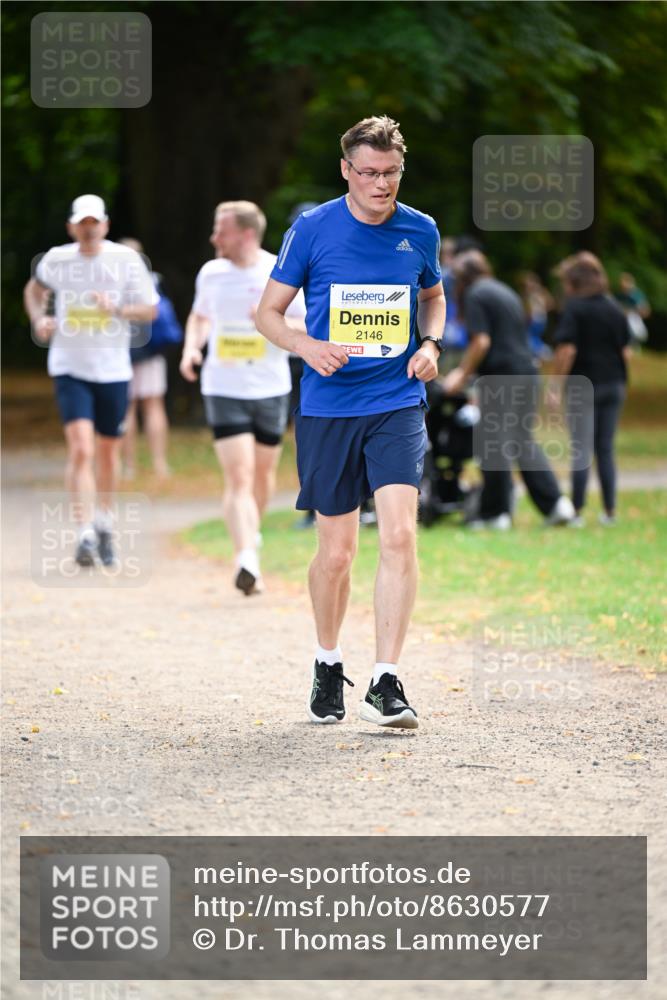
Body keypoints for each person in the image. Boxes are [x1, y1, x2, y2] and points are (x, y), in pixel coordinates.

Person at [256, 115, 445, 729]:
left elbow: (433, 296)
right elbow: (267, 315)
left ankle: (386, 680)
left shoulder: (420, 230)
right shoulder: (312, 229)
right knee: (335, 553)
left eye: (390, 173)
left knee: (398, 536)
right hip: (328, 406)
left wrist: (431, 345)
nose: (380, 184)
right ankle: (327, 661)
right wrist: (308, 347)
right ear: (346, 170)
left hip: (395, 402)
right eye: (368, 173)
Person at [23, 194, 158, 566]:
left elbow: (150, 309)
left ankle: (104, 522)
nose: (88, 229)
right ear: (71, 227)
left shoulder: (125, 260)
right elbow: (33, 292)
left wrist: (114, 307)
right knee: (81, 447)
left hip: (112, 368)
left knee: (107, 452)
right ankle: (83, 532)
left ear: (105, 225)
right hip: (69, 365)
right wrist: (39, 320)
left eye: (93, 222)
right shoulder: (56, 258)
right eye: (81, 222)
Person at [180, 200, 306, 595]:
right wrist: (192, 348)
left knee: (262, 476)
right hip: (223, 386)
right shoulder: (211, 273)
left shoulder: (277, 270)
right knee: (238, 477)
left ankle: (252, 533)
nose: (214, 238)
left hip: (269, 386)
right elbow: (200, 316)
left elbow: (306, 322)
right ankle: (246, 558)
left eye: (222, 230)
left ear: (246, 234)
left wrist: (270, 318)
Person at [442, 250, 574, 530]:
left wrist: (460, 374)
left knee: (493, 443)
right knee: (520, 439)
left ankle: (495, 513)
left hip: (501, 376)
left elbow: (481, 342)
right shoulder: (503, 290)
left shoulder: (476, 294)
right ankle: (556, 504)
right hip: (527, 372)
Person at [552, 252, 632, 525]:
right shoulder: (614, 308)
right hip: (614, 385)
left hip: (583, 386)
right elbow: (626, 352)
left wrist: (555, 384)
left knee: (581, 449)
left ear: (574, 282)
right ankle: (609, 511)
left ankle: (576, 511)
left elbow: (567, 350)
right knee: (605, 448)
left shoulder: (575, 308)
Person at [119, 237, 176, 480]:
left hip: (119, 352)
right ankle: (159, 464)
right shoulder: (152, 280)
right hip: (151, 351)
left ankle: (128, 467)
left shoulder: (110, 283)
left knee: (126, 409)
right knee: (154, 406)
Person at [518, 271, 554, 360]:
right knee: (534, 337)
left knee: (530, 337)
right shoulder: (539, 292)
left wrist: (538, 311)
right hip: (540, 319)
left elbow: (550, 304)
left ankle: (544, 353)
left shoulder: (534, 293)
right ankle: (541, 354)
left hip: (535, 319)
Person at [614, 272, 651, 348]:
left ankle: (633, 344)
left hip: (634, 321)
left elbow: (646, 312)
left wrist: (631, 311)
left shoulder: (636, 296)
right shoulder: (619, 296)